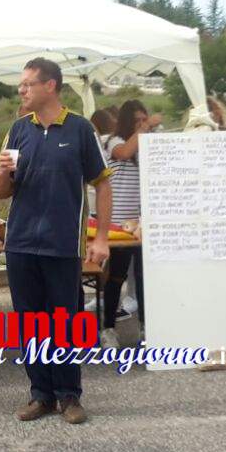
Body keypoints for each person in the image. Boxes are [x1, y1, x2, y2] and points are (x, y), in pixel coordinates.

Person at [0, 58, 112, 425]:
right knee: (30, 322)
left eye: (28, 84)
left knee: (63, 321)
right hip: (22, 243)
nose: (22, 90)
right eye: (20, 85)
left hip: (63, 244)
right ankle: (40, 394)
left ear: (51, 86)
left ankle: (69, 395)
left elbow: (102, 183)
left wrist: (102, 238)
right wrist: (3, 172)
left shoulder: (79, 129)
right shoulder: (17, 131)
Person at [99, 99, 150, 345]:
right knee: (116, 277)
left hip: (141, 223)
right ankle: (108, 327)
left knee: (143, 276)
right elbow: (124, 153)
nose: (142, 125)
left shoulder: (145, 146)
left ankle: (146, 327)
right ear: (127, 121)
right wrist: (145, 129)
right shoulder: (113, 142)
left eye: (144, 119)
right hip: (118, 223)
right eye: (137, 120)